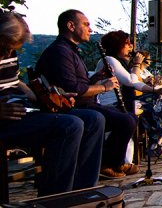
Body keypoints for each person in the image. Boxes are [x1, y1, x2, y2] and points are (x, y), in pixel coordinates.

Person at [0, 11, 105, 195]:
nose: (10, 52)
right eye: (7, 46)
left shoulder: (8, 52)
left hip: (19, 109)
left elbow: (15, 82)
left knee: (93, 119)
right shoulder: (59, 51)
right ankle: (56, 198)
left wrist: (45, 97)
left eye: (14, 48)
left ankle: (84, 191)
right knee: (70, 124)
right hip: (5, 119)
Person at [36, 9, 137, 179]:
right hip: (68, 108)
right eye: (86, 24)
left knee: (130, 118)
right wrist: (104, 87)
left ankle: (111, 161)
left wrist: (97, 77)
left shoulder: (71, 50)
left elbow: (78, 85)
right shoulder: (60, 51)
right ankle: (106, 163)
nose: (90, 29)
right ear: (71, 26)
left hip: (81, 103)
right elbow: (73, 90)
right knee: (125, 120)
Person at [94, 31, 162, 160]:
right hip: (110, 104)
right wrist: (137, 64)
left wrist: (154, 90)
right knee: (151, 102)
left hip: (124, 101)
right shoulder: (109, 60)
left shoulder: (120, 62)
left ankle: (159, 139)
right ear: (117, 45)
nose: (130, 47)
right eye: (127, 44)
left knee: (154, 99)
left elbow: (136, 82)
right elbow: (131, 81)